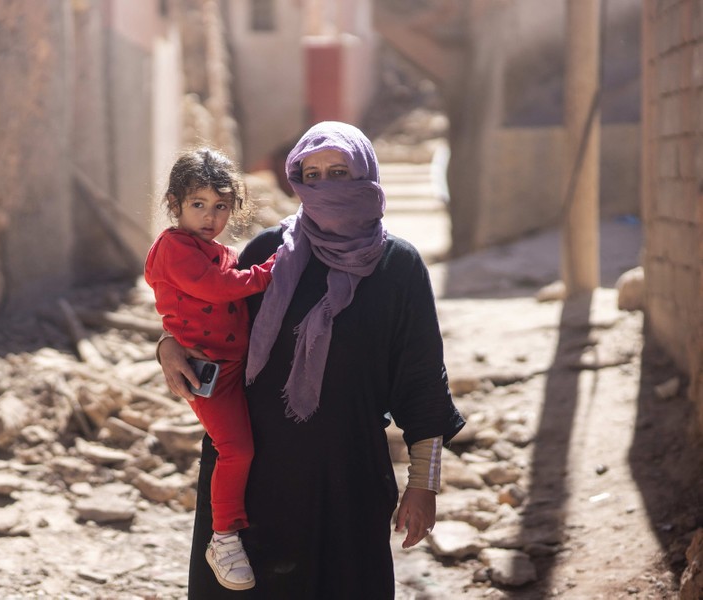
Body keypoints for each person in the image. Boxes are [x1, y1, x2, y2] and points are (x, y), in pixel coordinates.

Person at [157, 122, 465, 599]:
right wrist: (167, 345)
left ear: (365, 174)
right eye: (312, 174)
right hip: (256, 477)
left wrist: (423, 485)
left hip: (348, 478)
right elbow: (206, 319)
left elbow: (422, 380)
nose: (324, 185)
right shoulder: (268, 253)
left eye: (339, 171)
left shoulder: (397, 267)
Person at [145, 147, 276, 591]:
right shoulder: (175, 249)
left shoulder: (213, 249)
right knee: (236, 450)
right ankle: (222, 538)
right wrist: (270, 271)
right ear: (175, 204)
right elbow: (217, 289)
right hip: (212, 375)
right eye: (198, 204)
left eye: (221, 206)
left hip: (238, 366)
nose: (210, 216)